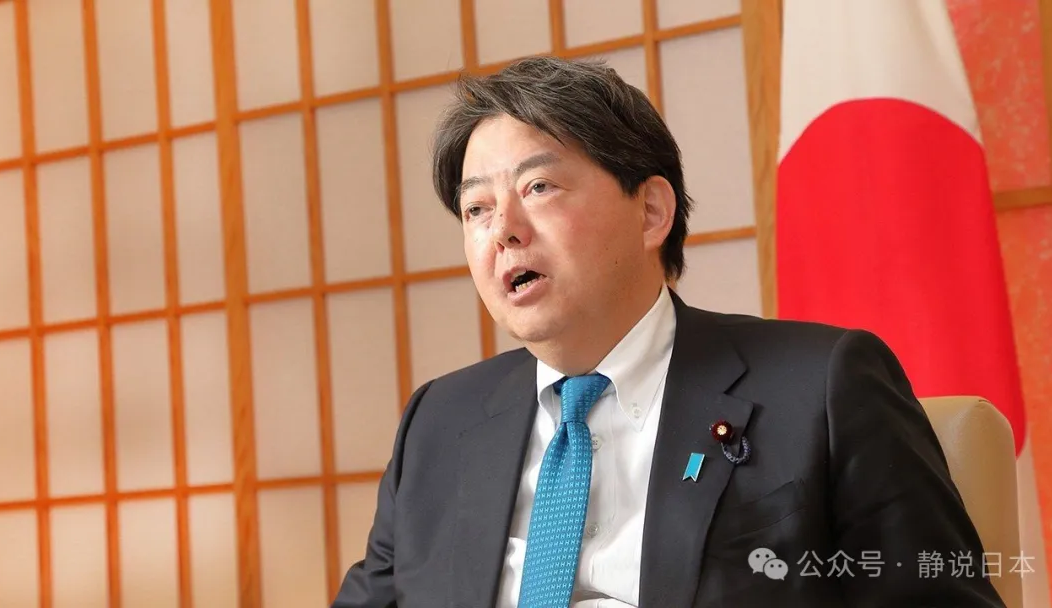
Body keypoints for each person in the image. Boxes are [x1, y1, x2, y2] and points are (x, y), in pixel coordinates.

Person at [331, 56, 1005, 607]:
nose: (502, 229)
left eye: (538, 188)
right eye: (477, 208)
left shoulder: (821, 388)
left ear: (652, 211)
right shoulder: (438, 423)